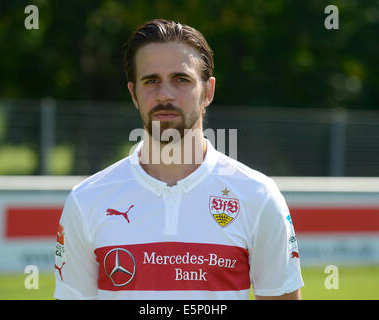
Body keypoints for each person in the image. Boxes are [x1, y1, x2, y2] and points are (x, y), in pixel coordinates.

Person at [54, 19, 304, 300]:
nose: (165, 95)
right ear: (133, 93)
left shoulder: (257, 195)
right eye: (151, 81)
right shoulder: (87, 200)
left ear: (207, 91)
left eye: (181, 79)